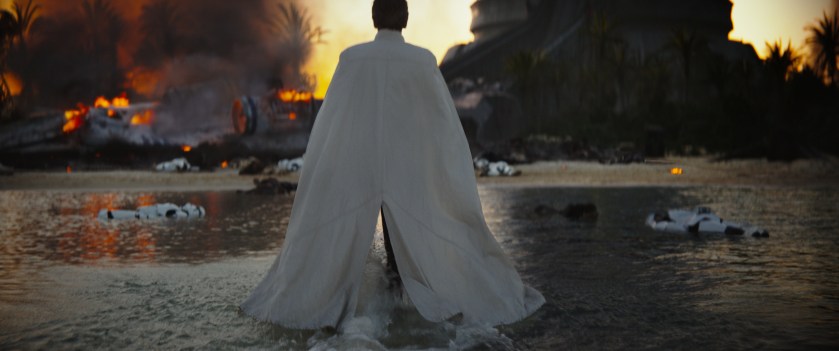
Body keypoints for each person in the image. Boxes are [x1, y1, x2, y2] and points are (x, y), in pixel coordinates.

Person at [240, 0, 544, 329]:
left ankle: (366, 301)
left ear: (374, 18)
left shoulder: (350, 59)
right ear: (406, 18)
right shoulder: (423, 61)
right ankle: (402, 299)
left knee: (360, 229)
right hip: (409, 162)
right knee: (408, 226)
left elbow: (333, 121)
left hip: (360, 162)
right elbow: (441, 122)